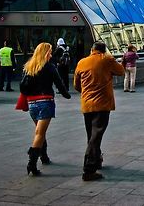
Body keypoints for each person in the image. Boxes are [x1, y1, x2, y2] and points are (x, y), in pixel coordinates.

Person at [74, 41, 125, 181]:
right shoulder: (107, 59)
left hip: (86, 104)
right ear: (103, 51)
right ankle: (89, 169)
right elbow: (121, 71)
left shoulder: (81, 62)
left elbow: (76, 85)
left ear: (92, 49)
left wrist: (86, 93)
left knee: (91, 134)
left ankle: (96, 160)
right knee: (96, 135)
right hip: (102, 105)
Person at [20, 42, 71, 176]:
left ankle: (44, 156)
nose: (51, 53)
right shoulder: (50, 67)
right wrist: (67, 95)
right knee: (40, 133)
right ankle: (32, 163)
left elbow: (23, 86)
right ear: (46, 53)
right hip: (45, 102)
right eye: (50, 51)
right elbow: (59, 84)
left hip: (32, 103)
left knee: (40, 131)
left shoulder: (29, 67)